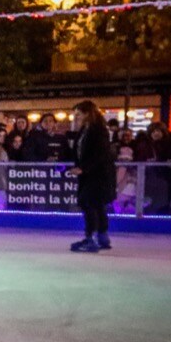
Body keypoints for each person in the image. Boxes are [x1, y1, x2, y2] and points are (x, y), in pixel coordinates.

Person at [67, 99, 115, 253]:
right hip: (89, 174)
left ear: (88, 114)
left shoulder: (99, 130)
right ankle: (101, 236)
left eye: (79, 114)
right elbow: (79, 151)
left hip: (98, 174)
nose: (76, 117)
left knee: (87, 201)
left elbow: (100, 154)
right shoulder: (85, 129)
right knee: (96, 203)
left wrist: (83, 168)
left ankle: (91, 237)